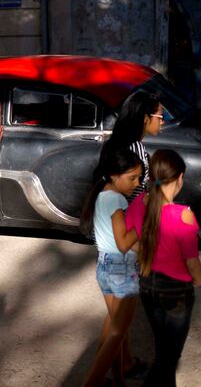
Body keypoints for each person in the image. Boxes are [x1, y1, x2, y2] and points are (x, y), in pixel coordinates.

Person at [126, 149, 201, 387]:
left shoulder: (139, 203)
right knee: (170, 357)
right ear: (179, 178)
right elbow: (191, 260)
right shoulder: (184, 215)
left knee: (163, 350)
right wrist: (197, 280)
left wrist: (148, 253)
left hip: (148, 286)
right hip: (177, 291)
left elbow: (129, 241)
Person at [80, 147, 143, 387]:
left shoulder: (103, 194)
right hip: (121, 269)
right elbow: (125, 242)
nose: (136, 183)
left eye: (138, 177)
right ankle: (92, 383)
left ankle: (117, 378)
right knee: (117, 334)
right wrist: (144, 225)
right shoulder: (117, 200)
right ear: (114, 175)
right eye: (132, 178)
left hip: (104, 266)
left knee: (114, 331)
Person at [97, 90, 164, 202]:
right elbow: (136, 191)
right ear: (145, 119)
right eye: (160, 116)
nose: (162, 122)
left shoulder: (115, 142)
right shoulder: (135, 147)